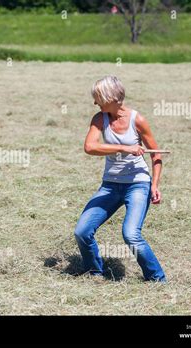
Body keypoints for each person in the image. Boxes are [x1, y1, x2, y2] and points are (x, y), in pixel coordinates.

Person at [74, 75, 166, 282]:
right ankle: (94, 272)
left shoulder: (137, 120)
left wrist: (155, 185)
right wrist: (125, 147)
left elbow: (156, 155)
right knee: (82, 231)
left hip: (138, 185)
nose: (95, 102)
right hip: (110, 185)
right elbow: (90, 147)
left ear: (112, 97)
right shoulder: (99, 119)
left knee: (131, 234)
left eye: (98, 98)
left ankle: (157, 279)